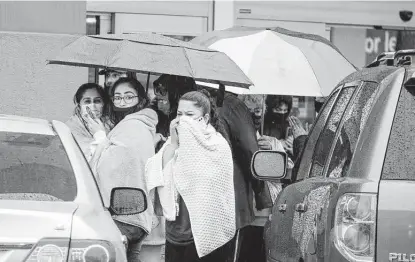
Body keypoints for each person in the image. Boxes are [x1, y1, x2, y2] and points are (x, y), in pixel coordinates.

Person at [146, 90, 236, 262]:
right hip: (176, 229)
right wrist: (173, 143)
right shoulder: (173, 143)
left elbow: (214, 189)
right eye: (179, 114)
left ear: (205, 118)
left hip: (204, 233)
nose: (182, 120)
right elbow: (159, 173)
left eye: (189, 114)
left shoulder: (217, 145)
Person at [89, 77, 160, 262]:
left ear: (141, 99)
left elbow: (109, 164)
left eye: (129, 97)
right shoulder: (137, 124)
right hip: (137, 214)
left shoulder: (134, 125)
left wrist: (99, 137)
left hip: (123, 216)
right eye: (117, 97)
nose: (122, 102)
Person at [66, 83, 113, 161]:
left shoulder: (110, 123)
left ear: (103, 104)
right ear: (79, 105)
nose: (93, 106)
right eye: (87, 101)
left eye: (97, 101)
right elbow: (89, 158)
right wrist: (99, 134)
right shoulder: (70, 127)